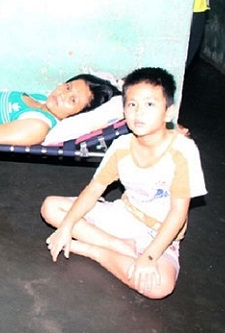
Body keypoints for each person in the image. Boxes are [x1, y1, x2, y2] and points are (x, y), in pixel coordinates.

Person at [41, 67, 206, 299]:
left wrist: (149, 257)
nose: (139, 113)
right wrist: (67, 225)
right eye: (132, 104)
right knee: (51, 208)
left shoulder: (183, 151)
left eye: (150, 105)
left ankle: (94, 251)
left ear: (168, 113)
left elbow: (178, 213)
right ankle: (119, 248)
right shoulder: (121, 147)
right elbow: (94, 190)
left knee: (159, 287)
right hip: (123, 216)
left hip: (159, 233)